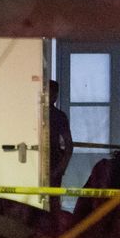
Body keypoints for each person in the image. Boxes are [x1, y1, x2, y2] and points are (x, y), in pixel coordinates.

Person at [48, 80, 73, 214]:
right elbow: (69, 145)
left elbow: (69, 145)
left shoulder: (58, 117)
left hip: (54, 162)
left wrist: (61, 168)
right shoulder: (58, 116)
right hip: (51, 163)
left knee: (52, 201)